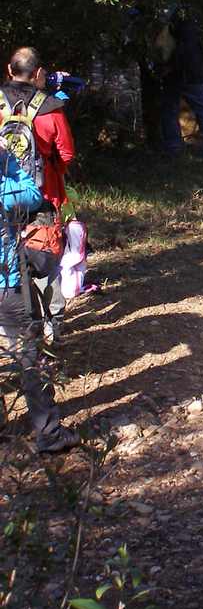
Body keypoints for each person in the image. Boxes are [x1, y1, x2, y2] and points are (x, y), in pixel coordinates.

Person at [0, 143, 79, 452]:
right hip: (7, 283)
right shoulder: (5, 182)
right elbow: (33, 196)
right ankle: (49, 432)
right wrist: (8, 162)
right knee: (29, 353)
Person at [2, 48, 76, 344]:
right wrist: (52, 172)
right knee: (46, 259)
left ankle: (23, 326)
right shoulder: (50, 107)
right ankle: (53, 324)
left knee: (9, 260)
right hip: (43, 193)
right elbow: (66, 153)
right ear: (37, 74)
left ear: (9, 70)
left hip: (4, 195)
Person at [157, 8, 203, 166]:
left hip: (175, 74)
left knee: (170, 111)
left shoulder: (169, 16)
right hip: (191, 73)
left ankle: (174, 150)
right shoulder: (187, 17)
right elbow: (188, 47)